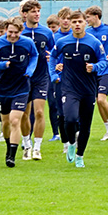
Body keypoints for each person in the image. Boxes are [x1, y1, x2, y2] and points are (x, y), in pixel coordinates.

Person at [49, 10, 108, 168]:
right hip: (69, 88)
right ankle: (71, 143)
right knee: (69, 119)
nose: (76, 24)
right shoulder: (63, 42)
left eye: (79, 22)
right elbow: (53, 57)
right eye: (73, 22)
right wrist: (53, 72)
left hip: (88, 89)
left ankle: (80, 156)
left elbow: (104, 60)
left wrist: (94, 67)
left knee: (86, 125)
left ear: (85, 23)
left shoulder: (94, 42)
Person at [0, 17, 38, 168]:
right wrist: (1, 65)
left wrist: (30, 70)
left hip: (22, 87)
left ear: (21, 32)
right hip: (4, 88)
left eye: (16, 32)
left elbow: (34, 56)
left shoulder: (27, 43)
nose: (12, 35)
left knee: (16, 120)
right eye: (10, 32)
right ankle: (9, 146)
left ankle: (12, 156)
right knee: (6, 122)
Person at [19, 0, 55, 161]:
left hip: (41, 77)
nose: (37, 14)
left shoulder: (46, 32)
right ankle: (27, 144)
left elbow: (54, 51)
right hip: (23, 78)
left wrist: (52, 57)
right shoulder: (19, 32)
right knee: (24, 114)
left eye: (38, 11)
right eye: (33, 11)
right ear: (25, 14)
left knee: (39, 112)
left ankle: (37, 148)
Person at [84, 6, 108, 141]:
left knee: (101, 99)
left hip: (107, 70)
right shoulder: (87, 32)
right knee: (97, 102)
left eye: (88, 17)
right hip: (93, 71)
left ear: (96, 16)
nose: (86, 20)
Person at [52, 6, 73, 153]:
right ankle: (65, 142)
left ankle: (75, 139)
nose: (66, 21)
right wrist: (54, 71)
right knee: (61, 112)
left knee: (74, 113)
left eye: (68, 18)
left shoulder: (78, 35)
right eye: (63, 18)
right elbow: (50, 57)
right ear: (59, 20)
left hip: (74, 79)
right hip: (59, 79)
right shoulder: (53, 37)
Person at [46, 14, 61, 142]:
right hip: (49, 76)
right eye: (50, 27)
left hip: (63, 76)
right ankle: (55, 133)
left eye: (54, 27)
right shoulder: (48, 38)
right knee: (52, 104)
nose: (52, 30)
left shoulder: (61, 39)